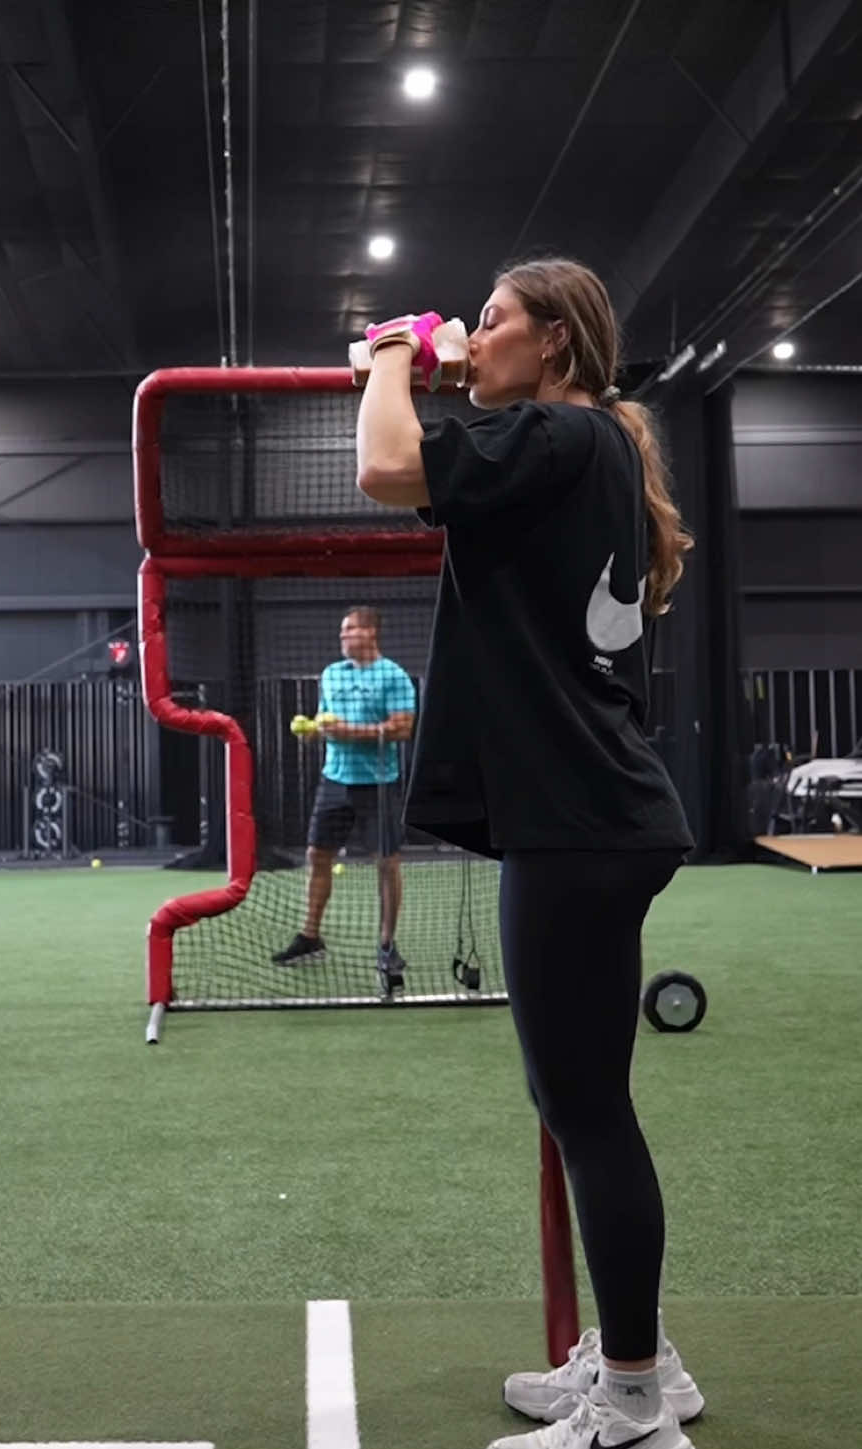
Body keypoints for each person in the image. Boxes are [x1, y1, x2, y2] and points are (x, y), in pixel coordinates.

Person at [355, 259, 704, 1449]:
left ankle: (633, 1399)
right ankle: (640, 1358)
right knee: (582, 1105)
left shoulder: (558, 436)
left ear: (553, 342)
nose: (475, 337)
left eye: (493, 319)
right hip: (596, 817)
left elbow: (385, 466)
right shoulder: (586, 443)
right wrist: (453, 364)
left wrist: (396, 350)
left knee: (584, 1110)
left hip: (577, 822)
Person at [271, 606, 416, 994]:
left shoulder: (394, 676)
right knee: (317, 856)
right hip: (334, 781)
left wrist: (349, 730)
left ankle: (386, 945)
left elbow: (402, 730)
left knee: (386, 863)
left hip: (379, 784)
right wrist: (314, 733)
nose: (343, 635)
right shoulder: (332, 675)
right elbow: (324, 722)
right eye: (342, 630)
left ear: (370, 633)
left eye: (350, 629)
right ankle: (310, 937)